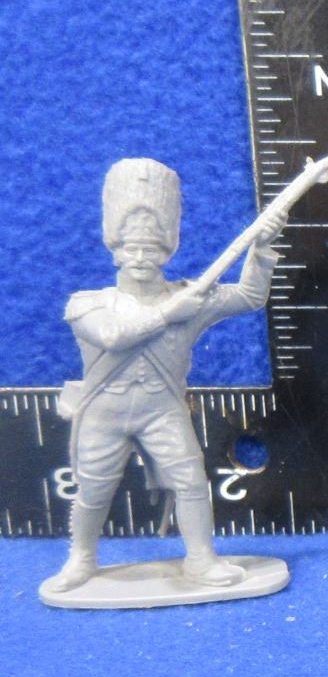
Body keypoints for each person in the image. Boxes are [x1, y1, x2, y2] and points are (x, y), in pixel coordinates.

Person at [46, 158, 285, 593]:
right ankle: (81, 560)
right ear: (116, 250)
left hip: (163, 411)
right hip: (103, 414)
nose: (141, 258)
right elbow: (114, 336)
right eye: (131, 249)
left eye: (152, 249)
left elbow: (250, 295)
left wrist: (262, 248)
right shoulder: (88, 304)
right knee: (93, 491)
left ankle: (201, 560)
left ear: (167, 252)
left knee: (191, 481)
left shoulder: (191, 298)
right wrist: (169, 313)